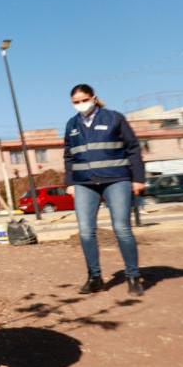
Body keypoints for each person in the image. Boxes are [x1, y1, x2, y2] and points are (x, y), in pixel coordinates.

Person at [64, 84, 145, 297]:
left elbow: (133, 148)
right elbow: (69, 156)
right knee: (85, 231)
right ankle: (95, 278)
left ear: (94, 98)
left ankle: (133, 276)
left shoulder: (114, 118)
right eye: (76, 102)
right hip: (84, 183)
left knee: (121, 228)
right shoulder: (71, 125)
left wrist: (138, 178)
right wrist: (70, 182)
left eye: (84, 100)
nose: (81, 105)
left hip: (116, 179)